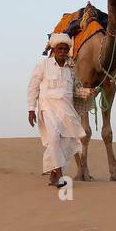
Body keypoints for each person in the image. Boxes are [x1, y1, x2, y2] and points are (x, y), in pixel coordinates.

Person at [27, 34, 90, 187]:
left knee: (66, 142)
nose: (62, 51)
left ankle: (54, 173)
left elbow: (76, 91)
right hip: (48, 108)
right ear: (54, 50)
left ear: (68, 51)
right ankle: (61, 176)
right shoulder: (43, 65)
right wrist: (31, 109)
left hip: (66, 111)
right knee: (54, 138)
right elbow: (33, 87)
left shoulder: (71, 70)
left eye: (65, 49)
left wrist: (89, 92)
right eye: (59, 48)